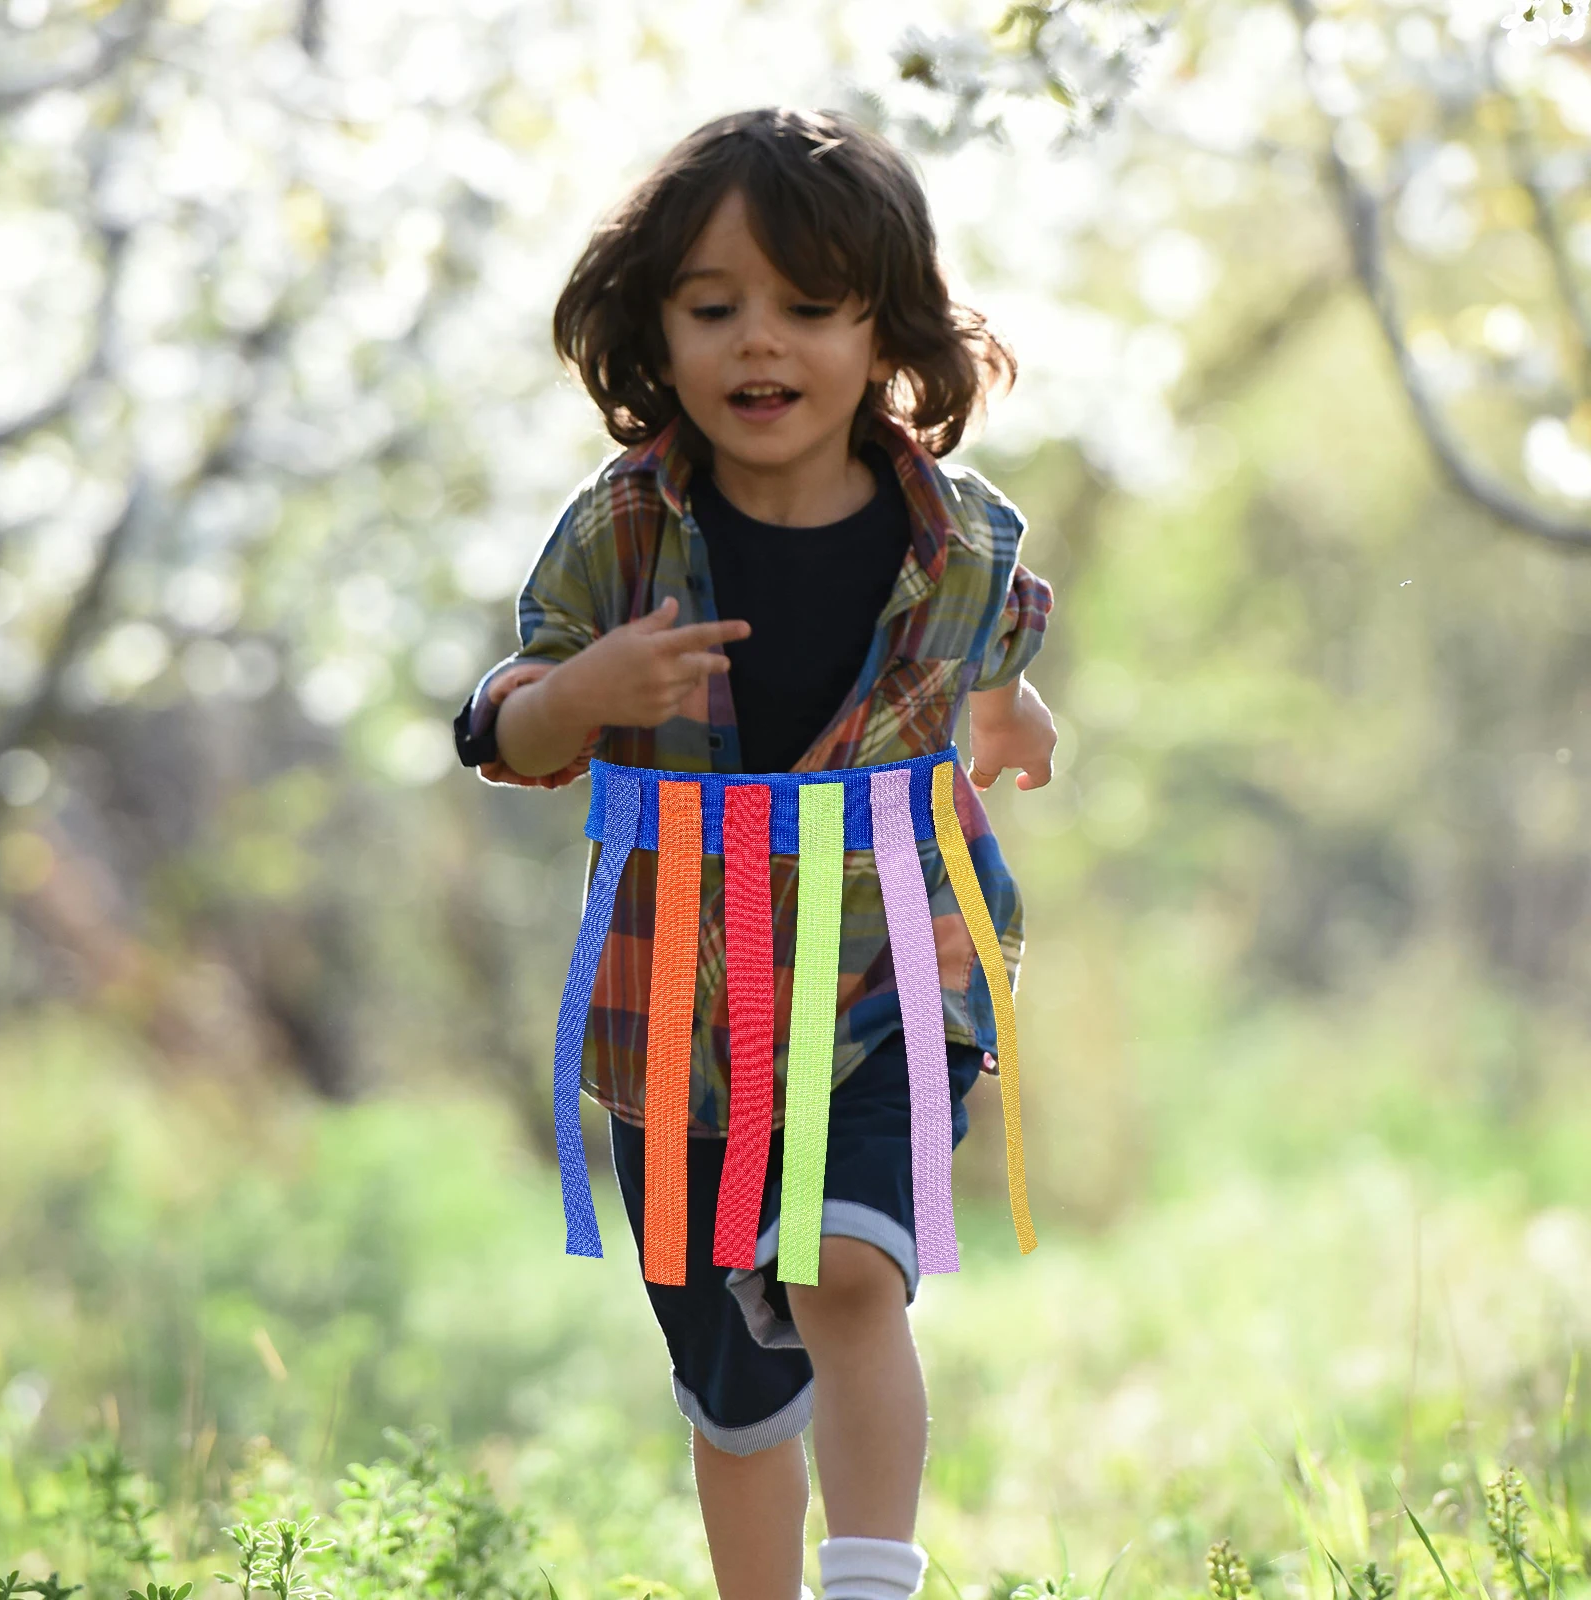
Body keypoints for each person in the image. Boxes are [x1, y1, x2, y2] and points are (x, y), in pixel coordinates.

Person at [452, 106, 1057, 1600]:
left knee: (845, 1267)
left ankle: (873, 1581)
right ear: (655, 331)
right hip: (681, 1009)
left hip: (887, 972)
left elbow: (980, 653)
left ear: (886, 330)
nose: (757, 342)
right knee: (735, 1396)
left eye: (807, 306)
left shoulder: (960, 534)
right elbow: (501, 726)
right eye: (713, 308)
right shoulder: (621, 533)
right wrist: (583, 698)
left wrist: (1009, 714)